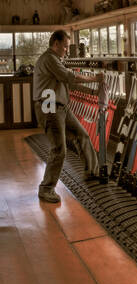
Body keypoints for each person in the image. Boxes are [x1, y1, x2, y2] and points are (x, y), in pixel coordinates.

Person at [33, 30, 99, 204]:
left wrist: (93, 90)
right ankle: (46, 188)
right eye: (65, 46)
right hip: (49, 107)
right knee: (59, 149)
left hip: (60, 106)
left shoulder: (56, 60)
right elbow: (69, 76)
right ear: (56, 44)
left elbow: (67, 82)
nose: (66, 50)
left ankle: (92, 171)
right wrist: (94, 78)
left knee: (82, 135)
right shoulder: (49, 59)